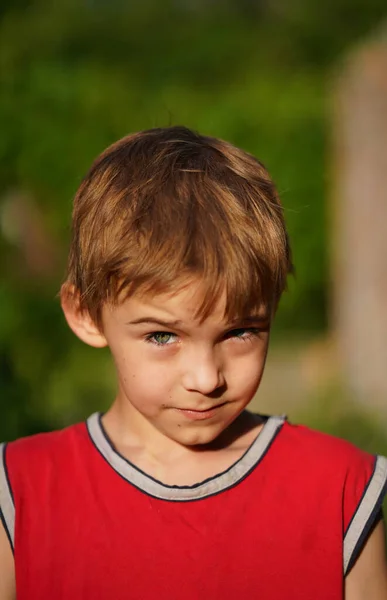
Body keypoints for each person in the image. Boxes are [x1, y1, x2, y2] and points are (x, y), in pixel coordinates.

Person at [0, 126, 386, 599]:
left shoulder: (340, 490)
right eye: (163, 336)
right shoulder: (21, 493)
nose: (206, 379)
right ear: (86, 315)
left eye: (240, 331)